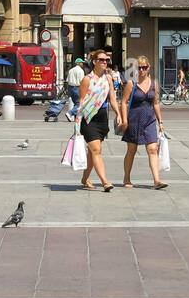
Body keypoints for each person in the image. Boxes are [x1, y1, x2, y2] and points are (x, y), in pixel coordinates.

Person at [119, 55, 167, 189]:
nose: (141, 70)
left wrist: (160, 122)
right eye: (139, 68)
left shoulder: (153, 83)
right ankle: (126, 178)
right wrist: (124, 119)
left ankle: (157, 180)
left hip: (149, 120)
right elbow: (123, 102)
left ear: (148, 68)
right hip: (134, 120)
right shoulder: (131, 83)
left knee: (153, 149)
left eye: (144, 68)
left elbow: (155, 103)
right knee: (131, 150)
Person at [76, 49, 118, 191]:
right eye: (102, 60)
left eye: (106, 60)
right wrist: (76, 125)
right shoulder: (87, 79)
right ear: (94, 62)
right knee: (96, 149)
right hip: (88, 118)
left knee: (92, 152)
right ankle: (105, 181)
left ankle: (84, 178)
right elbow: (81, 102)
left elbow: (112, 98)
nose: (105, 62)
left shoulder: (108, 79)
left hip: (102, 118)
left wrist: (119, 115)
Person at [65, 58, 85, 123]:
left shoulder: (71, 70)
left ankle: (77, 117)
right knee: (79, 104)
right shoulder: (80, 71)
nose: (83, 64)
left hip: (71, 88)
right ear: (79, 63)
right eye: (82, 63)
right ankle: (70, 113)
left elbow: (67, 81)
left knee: (75, 103)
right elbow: (82, 81)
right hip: (77, 88)